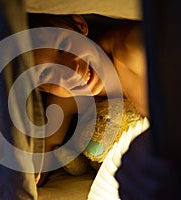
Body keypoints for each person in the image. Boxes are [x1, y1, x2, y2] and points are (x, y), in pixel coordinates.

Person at [27, 13, 148, 186]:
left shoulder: (130, 49)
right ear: (42, 89)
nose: (70, 72)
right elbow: (43, 155)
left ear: (79, 25)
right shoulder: (67, 96)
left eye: (62, 46)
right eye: (47, 73)